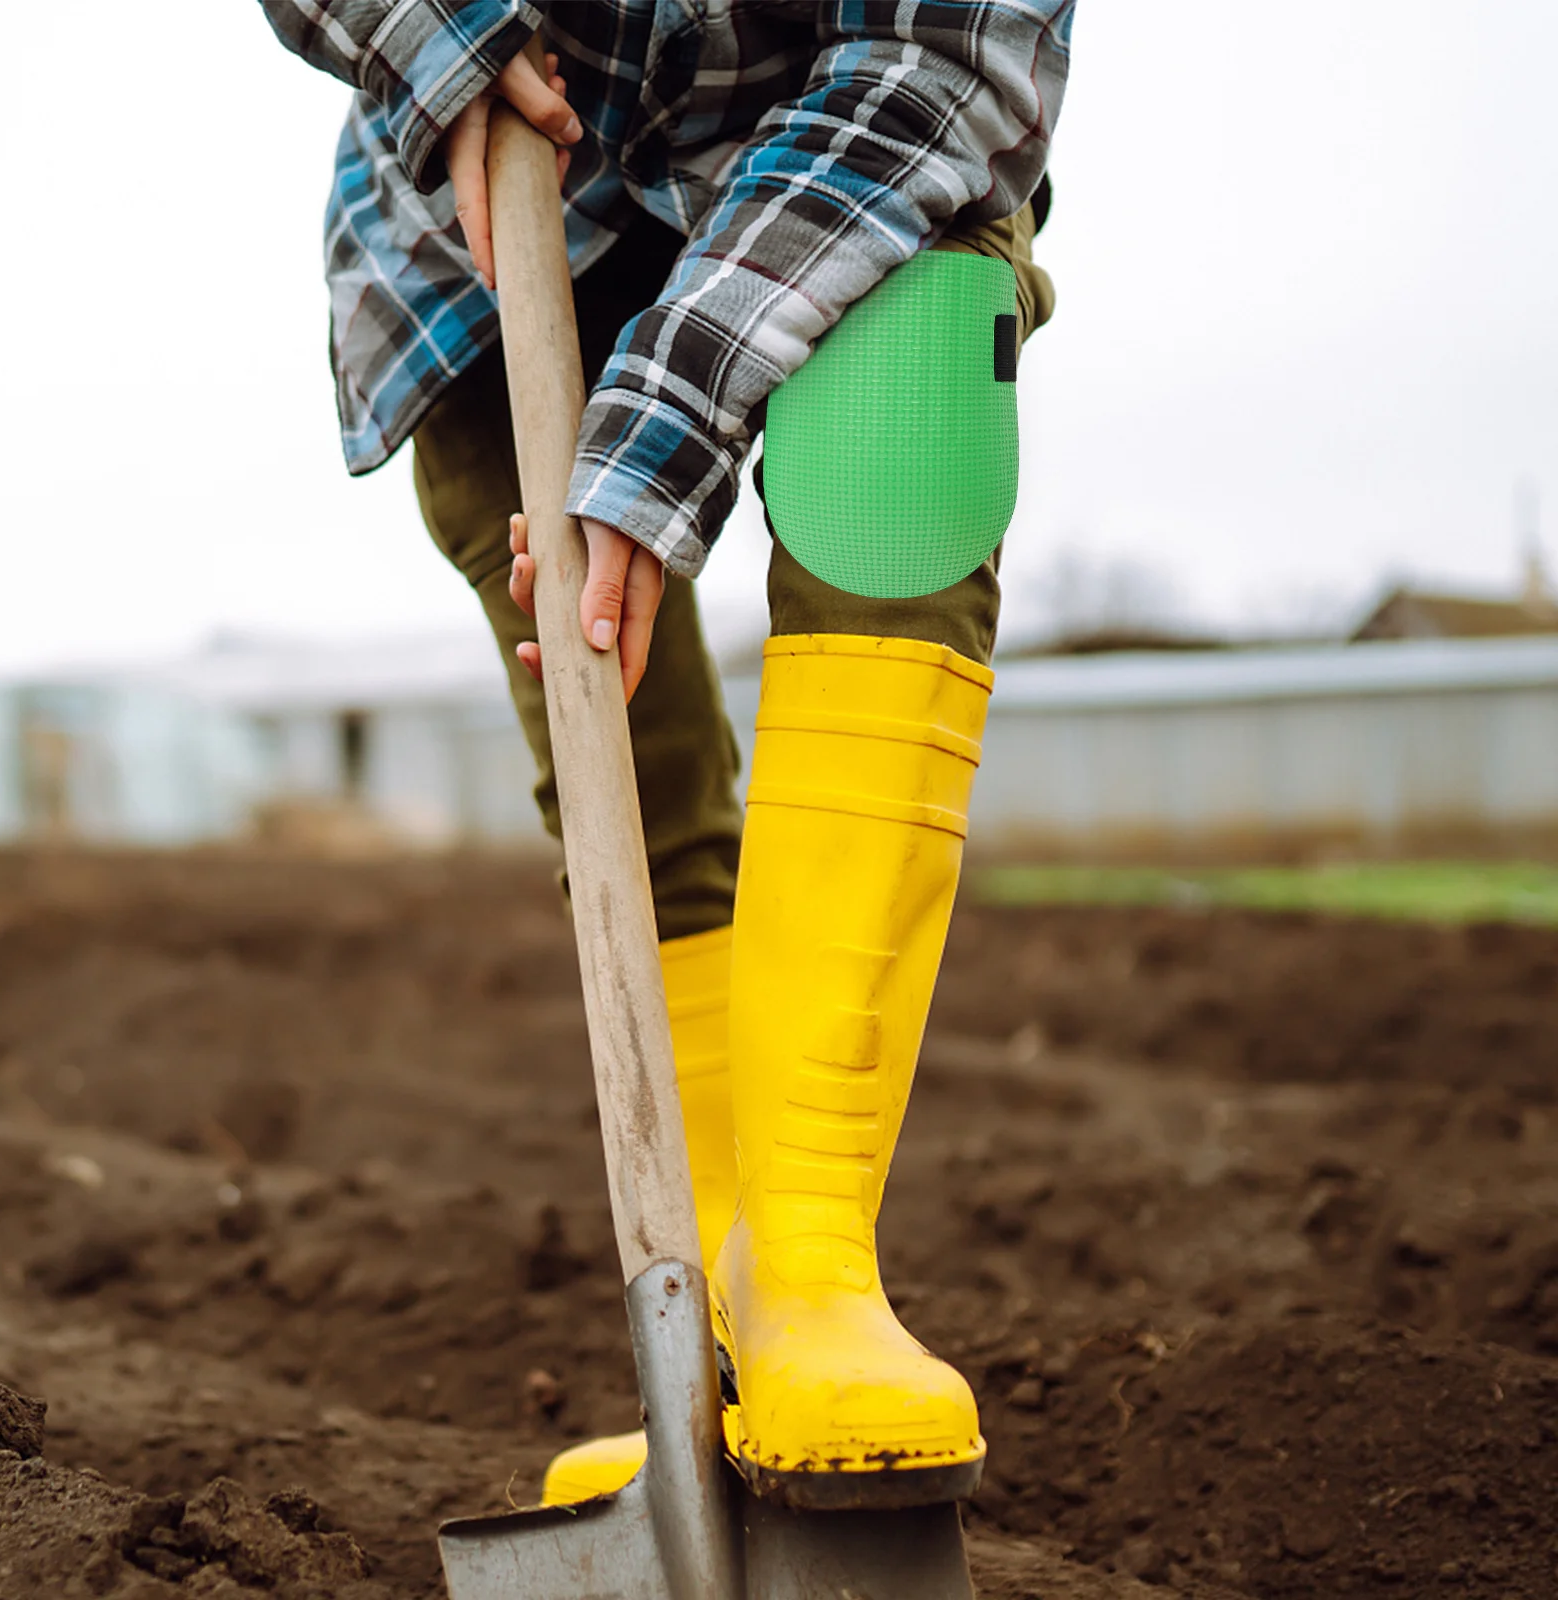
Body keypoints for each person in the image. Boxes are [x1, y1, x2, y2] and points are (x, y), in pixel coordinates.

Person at [259, 0, 1073, 1511]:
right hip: (485, 220)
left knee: (907, 431)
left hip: (853, 150)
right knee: (609, 709)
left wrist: (662, 429)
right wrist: (429, 38)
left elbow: (951, 64)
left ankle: (806, 1268)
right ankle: (696, 1331)